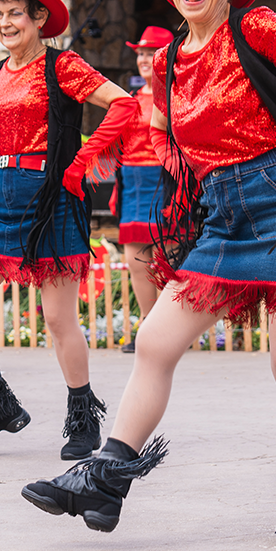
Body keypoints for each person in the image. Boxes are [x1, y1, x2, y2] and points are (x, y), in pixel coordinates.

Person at [21, 0, 276, 547]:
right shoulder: (162, 65)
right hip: (222, 214)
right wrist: (175, 211)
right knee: (155, 340)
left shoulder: (254, 27)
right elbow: (174, 146)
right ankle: (107, 480)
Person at [0, 0, 139, 460]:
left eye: (15, 14)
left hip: (53, 196)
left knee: (58, 319)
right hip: (5, 198)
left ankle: (83, 418)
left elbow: (123, 105)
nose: (5, 23)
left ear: (38, 19)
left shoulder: (63, 66)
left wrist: (82, 160)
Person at [113, 26, 174, 352]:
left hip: (163, 177)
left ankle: (170, 328)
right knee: (136, 260)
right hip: (133, 180)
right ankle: (148, 329)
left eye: (151, 53)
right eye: (140, 53)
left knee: (167, 255)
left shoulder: (176, 95)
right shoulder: (132, 98)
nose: (144, 59)